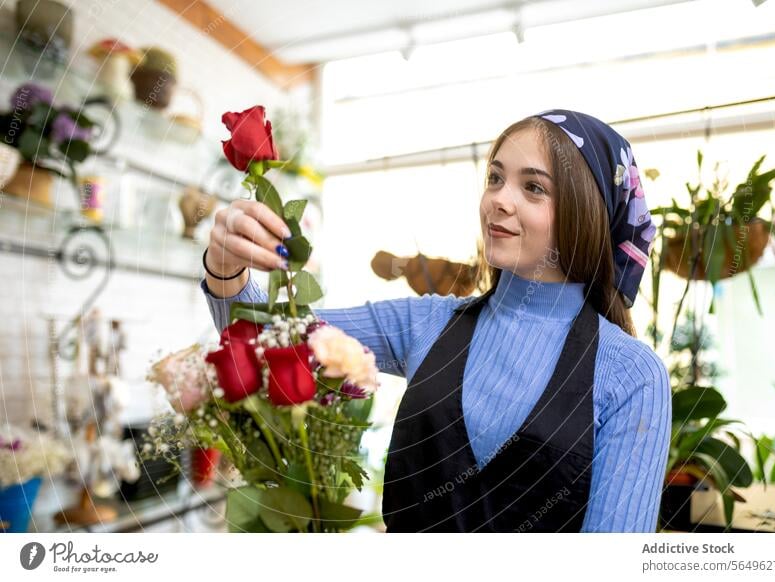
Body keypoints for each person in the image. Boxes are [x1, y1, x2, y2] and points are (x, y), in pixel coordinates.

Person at [199, 110, 671, 532]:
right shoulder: (426, 322)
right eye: (494, 178)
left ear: (585, 213)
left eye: (533, 187)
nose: (498, 201)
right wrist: (225, 266)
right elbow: (266, 340)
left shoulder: (632, 376)